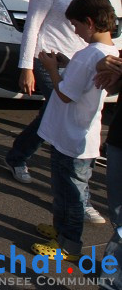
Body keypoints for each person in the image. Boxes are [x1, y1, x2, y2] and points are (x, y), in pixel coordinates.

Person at [5, 0, 107, 192]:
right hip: (48, 57)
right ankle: (53, 169)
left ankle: (18, 155)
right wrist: (26, 67)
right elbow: (33, 25)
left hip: (79, 60)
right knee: (60, 111)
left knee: (52, 114)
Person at [30, 0, 117, 261]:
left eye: (76, 25)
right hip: (79, 136)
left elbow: (67, 93)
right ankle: (61, 230)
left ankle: (68, 244)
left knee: (70, 194)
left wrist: (51, 69)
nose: (75, 31)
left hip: (71, 138)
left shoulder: (88, 54)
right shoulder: (110, 51)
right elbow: (83, 83)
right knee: (65, 189)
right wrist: (66, 65)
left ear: (89, 23)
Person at [95, 54, 122, 290]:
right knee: (118, 214)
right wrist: (108, 71)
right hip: (119, 141)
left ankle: (111, 282)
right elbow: (112, 83)